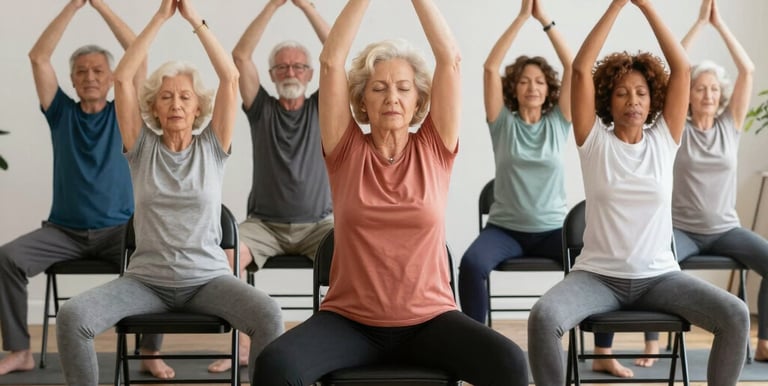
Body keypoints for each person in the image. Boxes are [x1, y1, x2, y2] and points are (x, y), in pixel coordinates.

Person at [251, 0, 528, 385]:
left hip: (430, 320)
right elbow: (332, 61)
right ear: (362, 100)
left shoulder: (435, 146)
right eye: (378, 88)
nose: (392, 98)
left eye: (403, 88)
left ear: (419, 101)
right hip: (349, 322)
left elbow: (450, 60)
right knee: (274, 366)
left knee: (511, 363)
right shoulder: (345, 150)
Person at [54, 1, 284, 385]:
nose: (175, 103)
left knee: (269, 315)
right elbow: (124, 79)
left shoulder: (213, 147)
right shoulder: (141, 149)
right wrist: (161, 16)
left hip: (209, 279)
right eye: (166, 97)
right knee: (72, 317)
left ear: (198, 109)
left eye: (184, 97)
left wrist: (195, 20)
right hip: (146, 281)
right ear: (154, 109)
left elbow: (229, 77)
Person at [527, 1, 750, 385]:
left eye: (642, 93)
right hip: (597, 277)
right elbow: (580, 69)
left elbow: (681, 68)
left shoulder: (665, 140)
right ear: (607, 102)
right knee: (543, 318)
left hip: (660, 277)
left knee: (735, 315)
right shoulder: (593, 142)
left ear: (653, 102)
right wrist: (617, 5)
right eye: (622, 93)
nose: (632, 100)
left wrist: (645, 6)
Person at [591, 0, 764, 375]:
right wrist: (699, 26)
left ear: (721, 96)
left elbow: (744, 70)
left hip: (725, 230)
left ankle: (764, 339)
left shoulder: (729, 128)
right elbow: (675, 71)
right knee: (648, 261)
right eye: (699, 89)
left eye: (713, 90)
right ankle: (648, 342)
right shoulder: (674, 131)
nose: (706, 95)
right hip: (681, 230)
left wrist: (718, 25)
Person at [0, 0, 158, 376]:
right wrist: (73, 6)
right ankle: (19, 350)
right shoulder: (61, 113)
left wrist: (100, 6)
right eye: (81, 71)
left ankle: (150, 352)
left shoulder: (126, 112)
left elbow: (139, 51)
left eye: (98, 70)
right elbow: (39, 57)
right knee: (7, 258)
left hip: (117, 232)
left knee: (157, 257)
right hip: (63, 232)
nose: (89, 77)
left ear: (111, 77)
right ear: (72, 80)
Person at [206, 0, 333, 373]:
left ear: (310, 73)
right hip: (264, 226)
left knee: (351, 261)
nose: (290, 71)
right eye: (282, 66)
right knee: (222, 261)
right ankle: (244, 343)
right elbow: (240, 56)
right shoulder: (261, 108)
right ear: (273, 74)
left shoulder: (322, 107)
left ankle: (326, 345)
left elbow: (337, 55)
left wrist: (307, 7)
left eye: (297, 65)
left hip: (318, 225)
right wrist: (273, 6)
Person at [458, 0, 572, 324]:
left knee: (597, 264)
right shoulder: (502, 123)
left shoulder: (559, 122)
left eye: (539, 81)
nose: (532, 86)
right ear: (514, 88)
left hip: (553, 231)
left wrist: (545, 20)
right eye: (524, 81)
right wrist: (522, 17)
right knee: (471, 265)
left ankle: (600, 351)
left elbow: (574, 65)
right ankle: (477, 344)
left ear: (549, 88)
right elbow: (490, 68)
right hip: (505, 231)